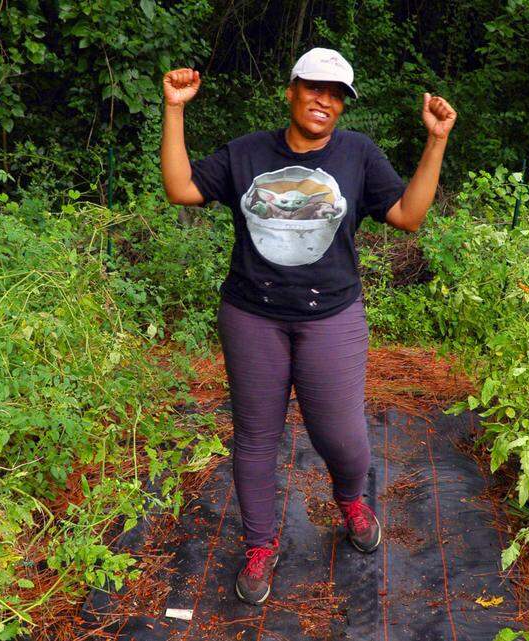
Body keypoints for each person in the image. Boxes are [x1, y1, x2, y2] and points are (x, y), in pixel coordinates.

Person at [159, 47, 456, 606]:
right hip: (252, 315)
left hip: (331, 316)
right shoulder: (248, 152)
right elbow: (181, 188)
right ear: (291, 90)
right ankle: (260, 545)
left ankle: (351, 499)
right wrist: (174, 108)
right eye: (315, 87)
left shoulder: (358, 154)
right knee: (255, 437)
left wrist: (436, 140)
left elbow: (408, 216)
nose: (325, 100)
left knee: (341, 434)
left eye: (337, 93)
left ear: (344, 105)